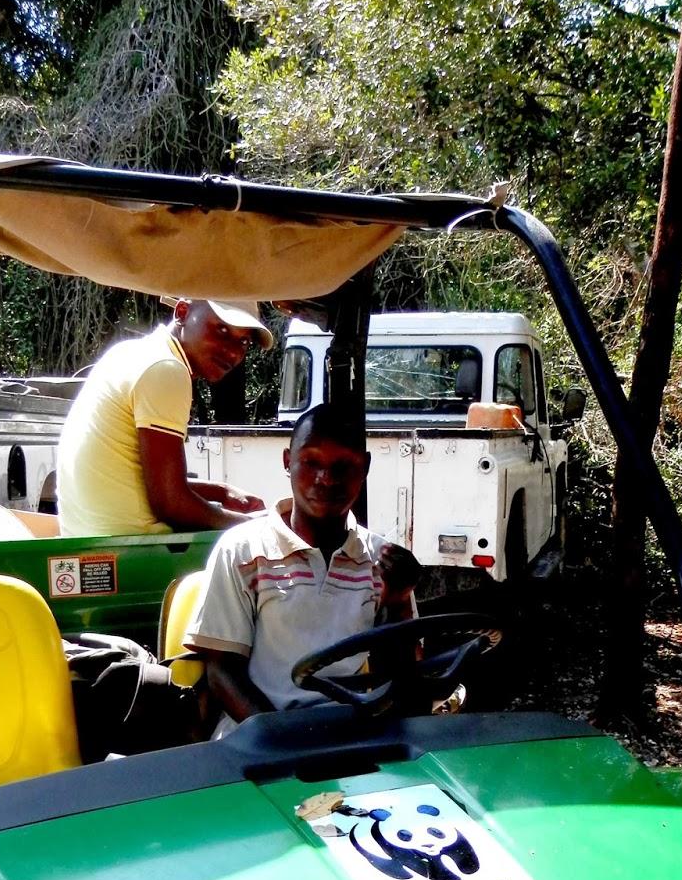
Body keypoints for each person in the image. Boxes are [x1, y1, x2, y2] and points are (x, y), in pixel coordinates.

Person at [184, 403, 420, 735]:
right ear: (287, 462)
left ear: (364, 468)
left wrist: (397, 602)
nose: (326, 479)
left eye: (343, 466)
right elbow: (222, 674)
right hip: (258, 734)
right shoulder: (243, 552)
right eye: (311, 463)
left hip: (349, 734)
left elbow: (398, 682)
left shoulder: (382, 561)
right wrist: (282, 738)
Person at [57, 297, 273, 536]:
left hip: (90, 545)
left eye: (243, 341)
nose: (232, 352)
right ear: (181, 312)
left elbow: (141, 482)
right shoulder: (166, 369)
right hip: (131, 551)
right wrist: (259, 529)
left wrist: (221, 492)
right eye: (221, 329)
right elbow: (171, 504)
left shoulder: (129, 352)